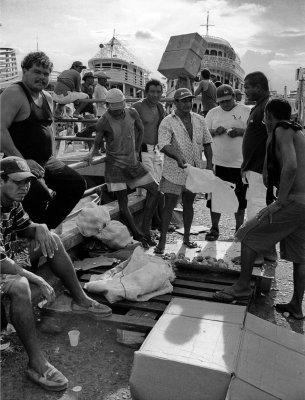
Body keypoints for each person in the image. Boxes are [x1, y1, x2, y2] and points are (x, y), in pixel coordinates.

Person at [0, 156, 112, 391]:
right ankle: (36, 362)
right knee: (21, 286)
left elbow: (24, 226)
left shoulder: (12, 201)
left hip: (9, 254)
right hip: (2, 263)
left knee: (52, 239)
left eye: (27, 182)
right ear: (1, 180)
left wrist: (40, 227)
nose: (24, 188)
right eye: (18, 182)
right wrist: (37, 278)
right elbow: (1, 263)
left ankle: (81, 299)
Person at [214, 99, 305, 320]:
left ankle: (243, 286)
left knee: (247, 234)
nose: (264, 121)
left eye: (265, 117)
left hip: (294, 201)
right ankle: (296, 306)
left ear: (270, 117)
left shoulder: (282, 129)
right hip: (303, 203)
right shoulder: (298, 131)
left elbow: (291, 166)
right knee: (300, 257)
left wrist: (280, 201)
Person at [0, 51, 86, 230]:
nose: (42, 77)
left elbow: (50, 130)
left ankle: (45, 231)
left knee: (76, 184)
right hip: (19, 163)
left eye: (46, 74)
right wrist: (22, 162)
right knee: (40, 198)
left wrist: (54, 157)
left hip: (45, 162)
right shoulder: (14, 93)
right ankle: (34, 237)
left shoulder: (47, 97)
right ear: (24, 71)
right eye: (37, 72)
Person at [88, 88, 159, 247]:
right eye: (115, 111)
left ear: (124, 105)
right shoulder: (104, 121)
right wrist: (91, 154)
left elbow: (140, 129)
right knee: (123, 203)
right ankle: (138, 234)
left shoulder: (132, 113)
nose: (118, 114)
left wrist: (136, 149)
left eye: (120, 110)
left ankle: (145, 228)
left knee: (156, 190)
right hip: (115, 167)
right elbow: (97, 144)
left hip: (133, 163)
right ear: (108, 107)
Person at [154, 88, 213, 254]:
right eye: (184, 101)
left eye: (189, 100)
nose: (188, 103)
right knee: (169, 206)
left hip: (193, 170)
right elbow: (163, 144)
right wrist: (178, 157)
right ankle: (162, 242)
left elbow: (207, 143)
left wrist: (209, 164)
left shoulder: (200, 119)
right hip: (173, 171)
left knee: (189, 204)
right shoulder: (167, 121)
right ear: (176, 103)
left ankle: (187, 238)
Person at [204, 84, 250, 240]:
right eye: (221, 102)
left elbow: (254, 133)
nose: (225, 104)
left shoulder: (245, 111)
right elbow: (204, 134)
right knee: (215, 198)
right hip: (218, 163)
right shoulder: (212, 113)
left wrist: (240, 131)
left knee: (241, 199)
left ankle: (238, 230)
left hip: (240, 164)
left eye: (228, 101)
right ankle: (215, 228)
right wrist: (214, 131)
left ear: (234, 97)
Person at [241, 71, 276, 264]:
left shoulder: (267, 107)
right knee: (258, 209)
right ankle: (267, 251)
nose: (245, 90)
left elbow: (271, 139)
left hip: (259, 170)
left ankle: (256, 254)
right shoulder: (258, 107)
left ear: (259, 87)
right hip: (252, 168)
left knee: (257, 211)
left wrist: (264, 168)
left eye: (247, 87)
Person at [132, 79, 165, 234]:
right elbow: (129, 130)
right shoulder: (137, 107)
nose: (155, 95)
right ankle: (146, 227)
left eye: (158, 92)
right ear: (146, 92)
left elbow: (161, 130)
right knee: (155, 190)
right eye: (152, 91)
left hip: (156, 152)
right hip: (142, 152)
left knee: (160, 189)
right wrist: (134, 154)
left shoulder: (160, 107)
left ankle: (156, 222)